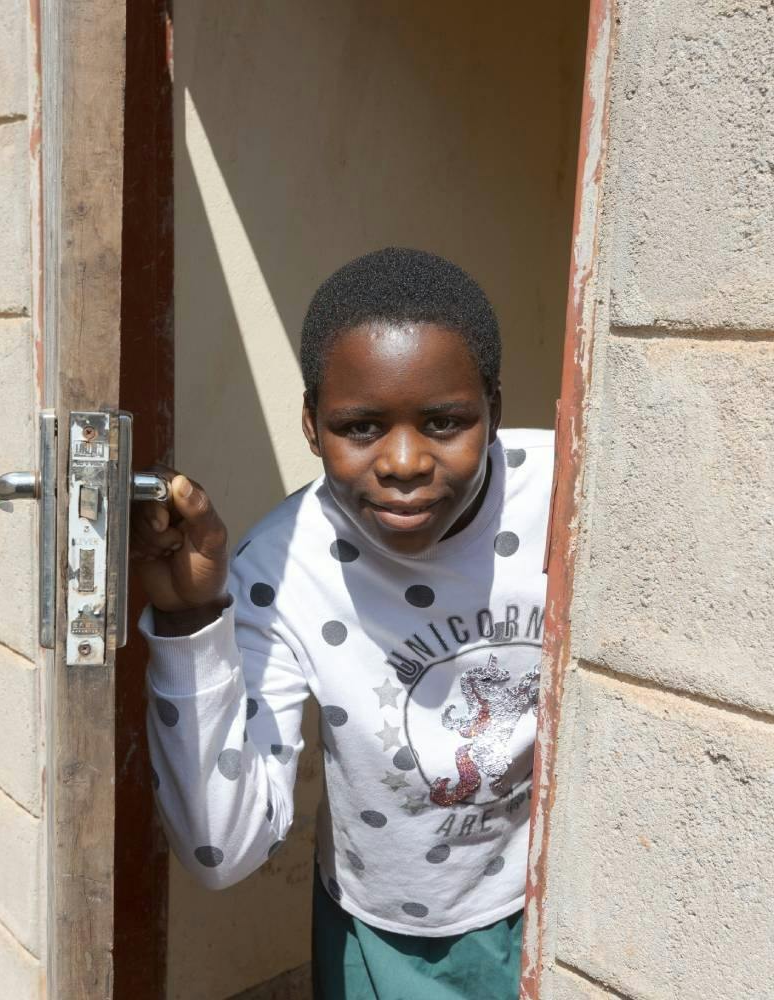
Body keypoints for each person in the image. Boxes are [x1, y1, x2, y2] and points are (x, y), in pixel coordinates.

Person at [132, 248, 552, 999]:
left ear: (493, 406)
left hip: (557, 907)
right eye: (360, 427)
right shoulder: (279, 571)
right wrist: (192, 620)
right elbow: (220, 851)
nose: (403, 462)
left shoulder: (564, 489)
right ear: (310, 423)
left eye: (445, 422)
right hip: (380, 937)